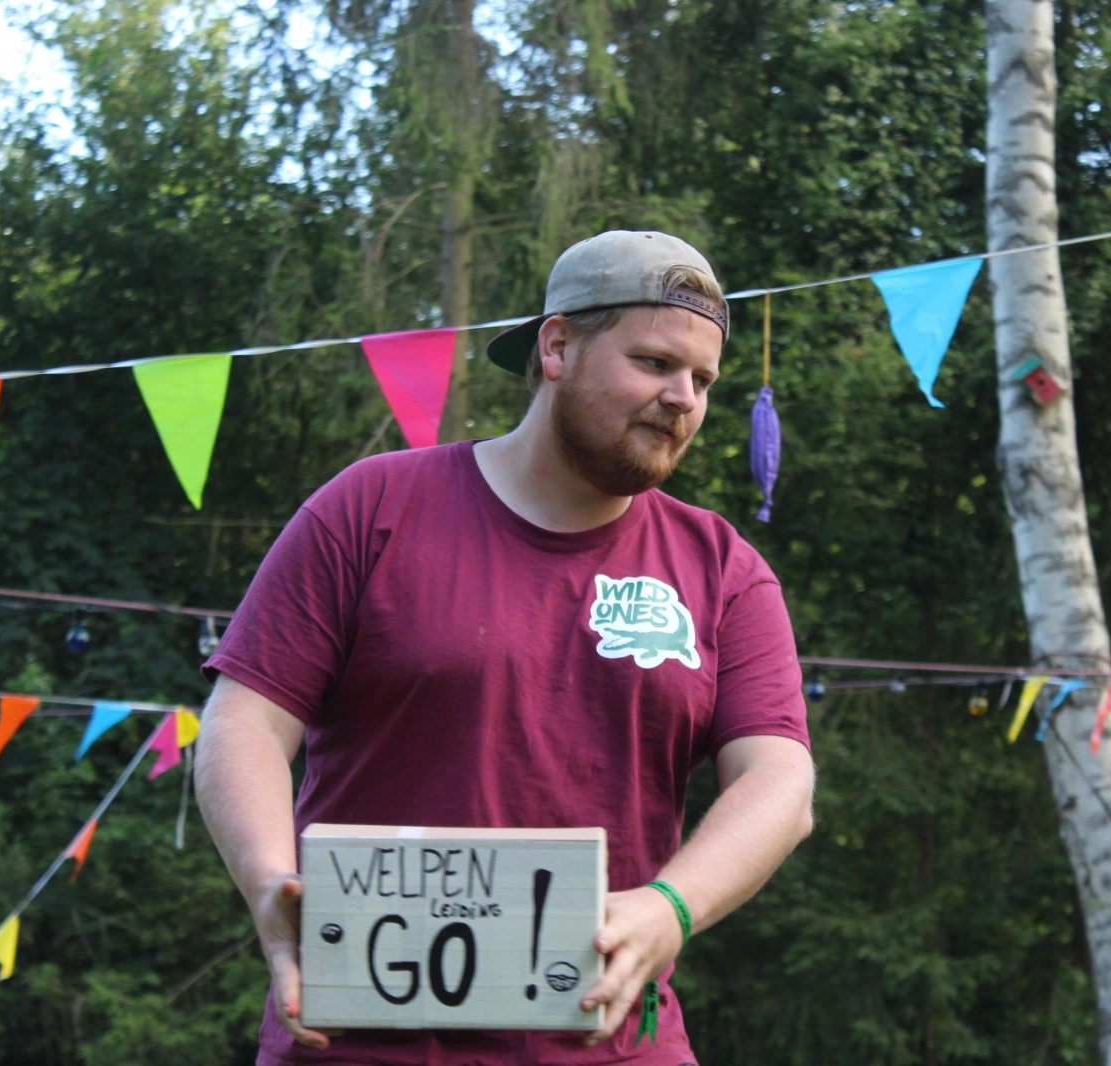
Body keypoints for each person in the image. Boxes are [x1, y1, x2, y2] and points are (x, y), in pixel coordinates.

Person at [196, 230, 815, 1066]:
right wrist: (270, 881)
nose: (683, 399)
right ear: (556, 347)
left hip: (616, 1049)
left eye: (702, 379)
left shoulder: (725, 570)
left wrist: (670, 907)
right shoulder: (369, 509)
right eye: (654, 363)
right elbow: (244, 721)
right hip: (350, 1045)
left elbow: (780, 781)